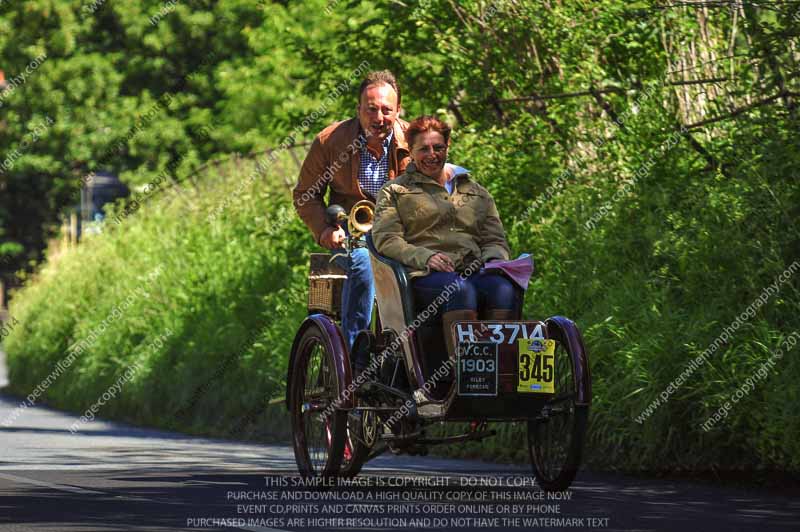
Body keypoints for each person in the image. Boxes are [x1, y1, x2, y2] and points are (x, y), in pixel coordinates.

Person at [372, 115, 518, 364]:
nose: (432, 155)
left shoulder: (476, 192)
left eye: (438, 147)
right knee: (459, 289)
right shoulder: (395, 191)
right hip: (423, 276)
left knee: (503, 289)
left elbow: (495, 239)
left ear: (448, 147)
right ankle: (464, 374)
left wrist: (494, 259)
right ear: (410, 151)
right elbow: (387, 240)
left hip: (473, 271)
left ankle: (500, 372)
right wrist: (426, 257)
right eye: (424, 149)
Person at [293, 70, 410, 351]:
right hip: (349, 233)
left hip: (402, 233)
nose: (379, 118)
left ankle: (409, 355)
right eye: (371, 109)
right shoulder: (330, 141)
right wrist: (324, 230)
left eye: (386, 110)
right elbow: (305, 195)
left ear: (398, 111)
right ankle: (355, 353)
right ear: (358, 110)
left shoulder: (415, 141)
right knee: (363, 262)